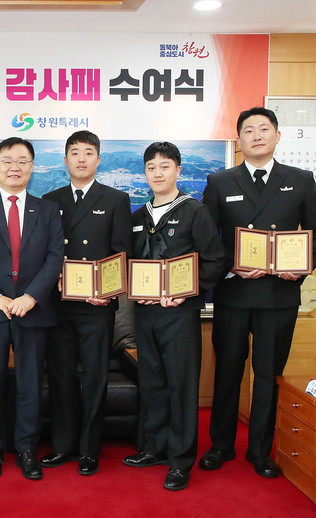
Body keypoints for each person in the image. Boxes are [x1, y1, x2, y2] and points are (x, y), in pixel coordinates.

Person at [200, 107, 316, 478]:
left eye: (264, 129)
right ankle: (220, 445)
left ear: (277, 135)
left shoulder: (300, 180)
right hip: (234, 294)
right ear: (239, 140)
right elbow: (208, 240)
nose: (256, 135)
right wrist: (231, 266)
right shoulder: (220, 181)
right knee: (227, 370)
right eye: (248, 130)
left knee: (268, 373)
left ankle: (260, 451)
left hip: (278, 295)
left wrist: (300, 268)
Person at [122, 142, 224, 491]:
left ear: (178, 170)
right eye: (151, 167)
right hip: (145, 313)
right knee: (152, 381)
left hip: (180, 314)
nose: (158, 173)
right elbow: (126, 264)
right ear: (145, 173)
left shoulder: (195, 211)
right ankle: (154, 447)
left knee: (181, 385)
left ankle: (180, 460)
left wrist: (187, 292)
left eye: (165, 166)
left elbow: (214, 261)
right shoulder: (137, 217)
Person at [0, 137, 64, 480]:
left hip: (33, 310)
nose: (14, 167)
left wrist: (31, 296)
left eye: (22, 161)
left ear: (32, 167)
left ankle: (26, 450)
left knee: (30, 384)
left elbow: (55, 257)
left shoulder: (47, 209)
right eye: (7, 161)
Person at [40, 130, 132, 476]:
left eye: (88, 152)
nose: (81, 158)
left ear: (98, 159)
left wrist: (107, 290)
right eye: (75, 152)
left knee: (95, 377)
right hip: (59, 305)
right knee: (61, 376)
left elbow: (122, 252)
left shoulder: (116, 199)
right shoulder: (50, 200)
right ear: (65, 160)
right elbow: (43, 252)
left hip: (97, 306)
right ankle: (63, 446)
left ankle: (90, 450)